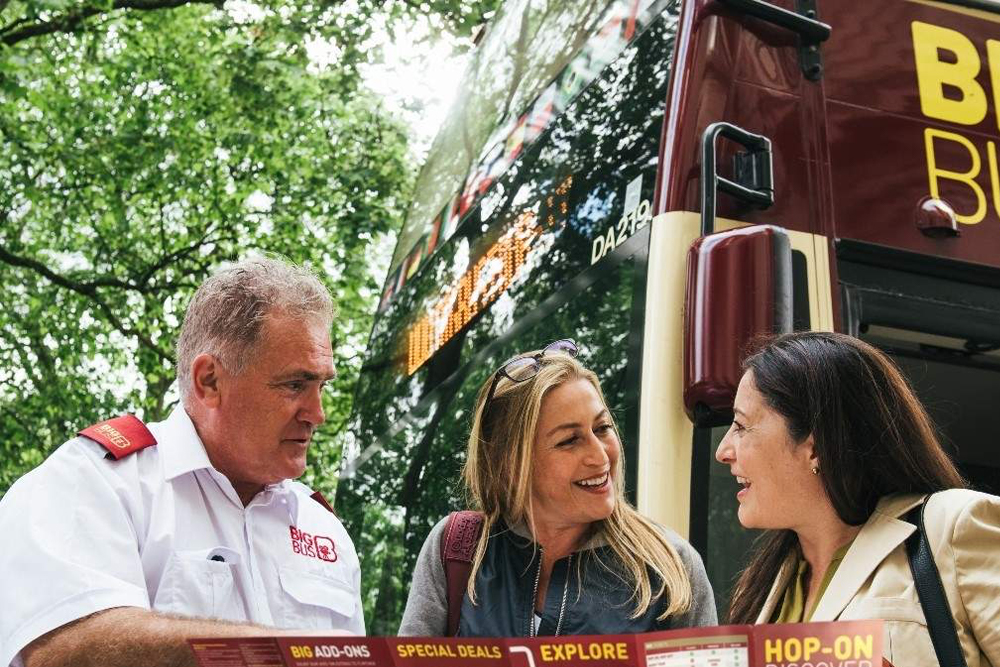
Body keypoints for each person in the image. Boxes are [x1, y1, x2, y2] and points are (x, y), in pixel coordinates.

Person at [0, 257, 364, 667]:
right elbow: (64, 650)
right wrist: (284, 653)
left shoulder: (324, 530)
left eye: (321, 386)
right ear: (209, 380)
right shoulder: (93, 482)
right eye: (295, 385)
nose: (318, 413)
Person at [716, 331, 999, 666]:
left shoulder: (952, 527)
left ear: (816, 445)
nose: (723, 451)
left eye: (740, 426)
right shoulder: (758, 589)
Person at [399, 339, 717, 636]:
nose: (599, 455)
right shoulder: (456, 549)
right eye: (569, 440)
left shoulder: (670, 564)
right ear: (510, 465)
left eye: (602, 427)